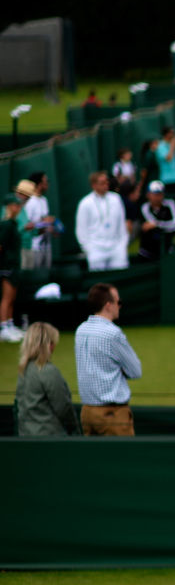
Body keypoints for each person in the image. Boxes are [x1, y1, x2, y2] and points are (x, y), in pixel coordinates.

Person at [75, 283, 142, 435]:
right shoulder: (113, 334)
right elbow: (136, 371)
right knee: (121, 458)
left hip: (87, 412)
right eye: (118, 302)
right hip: (112, 414)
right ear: (108, 305)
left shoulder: (81, 330)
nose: (120, 306)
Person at [14, 322, 79, 436]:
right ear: (48, 345)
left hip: (26, 435)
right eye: (53, 343)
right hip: (49, 438)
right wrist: (76, 431)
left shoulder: (24, 370)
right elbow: (63, 408)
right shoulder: (48, 371)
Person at [75, 172, 132, 271]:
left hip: (116, 247)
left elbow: (121, 224)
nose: (106, 185)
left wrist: (122, 244)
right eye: (102, 183)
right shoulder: (85, 203)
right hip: (96, 249)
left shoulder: (116, 199)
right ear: (94, 185)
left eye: (107, 182)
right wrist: (89, 249)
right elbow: (81, 230)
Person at [137, 181, 175, 261]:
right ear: (148, 195)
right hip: (147, 252)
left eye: (160, 194)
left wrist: (157, 224)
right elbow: (150, 227)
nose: (158, 197)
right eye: (155, 194)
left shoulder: (170, 204)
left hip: (166, 251)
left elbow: (174, 222)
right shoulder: (144, 207)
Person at [20, 172, 60, 272]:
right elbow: (26, 225)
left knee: (45, 275)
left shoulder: (44, 200)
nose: (48, 184)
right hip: (34, 247)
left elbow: (45, 219)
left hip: (46, 246)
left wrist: (51, 224)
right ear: (39, 184)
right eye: (46, 181)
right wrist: (42, 222)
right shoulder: (30, 202)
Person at [0, 196, 21, 342]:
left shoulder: (13, 224)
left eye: (18, 205)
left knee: (12, 297)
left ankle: (10, 325)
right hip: (6, 265)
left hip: (14, 265)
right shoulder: (6, 224)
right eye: (15, 205)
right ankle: (3, 328)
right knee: (6, 298)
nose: (17, 208)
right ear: (8, 207)